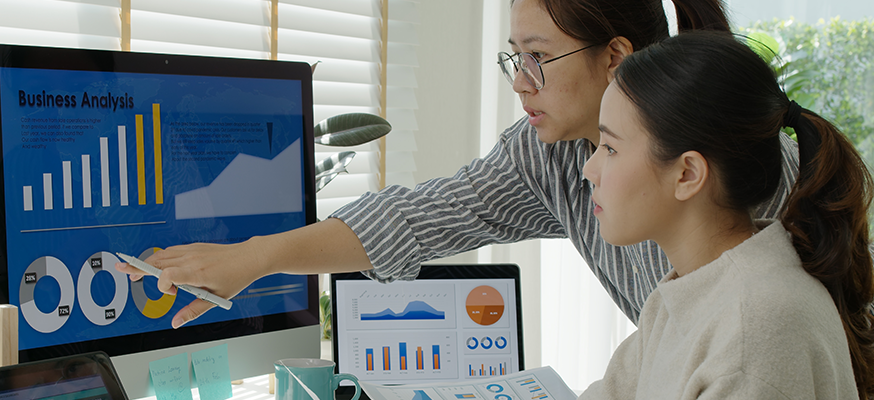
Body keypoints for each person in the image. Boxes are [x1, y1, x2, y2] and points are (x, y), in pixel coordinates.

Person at [115, 0, 800, 329]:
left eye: (537, 57)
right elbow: (418, 216)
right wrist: (256, 257)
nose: (518, 81)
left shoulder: (751, 228)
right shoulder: (552, 153)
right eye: (512, 56)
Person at [578, 30, 874, 398]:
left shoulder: (756, 332)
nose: (590, 169)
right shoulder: (683, 297)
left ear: (687, 174)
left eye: (609, 148)